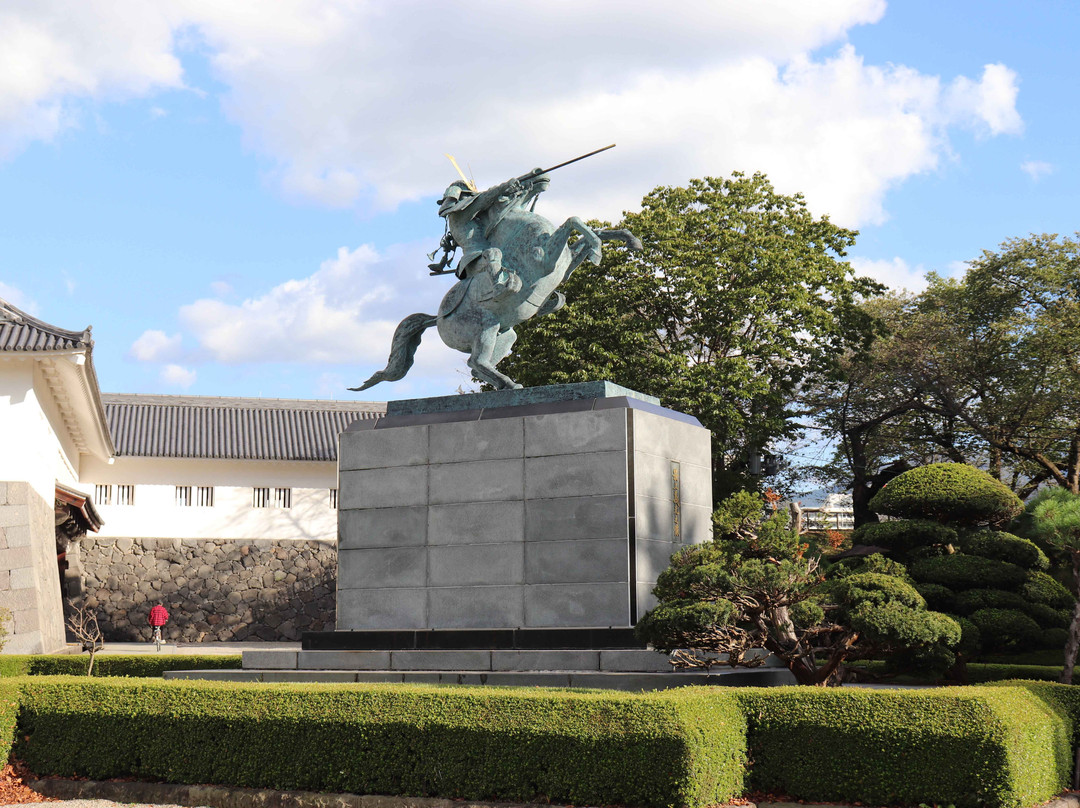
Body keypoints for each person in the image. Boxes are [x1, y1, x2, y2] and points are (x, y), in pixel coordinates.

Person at [435, 171, 549, 302]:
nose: (471, 199)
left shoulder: (473, 215)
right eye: (469, 196)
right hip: (475, 258)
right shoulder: (458, 216)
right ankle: (498, 285)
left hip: (487, 253)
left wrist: (518, 189)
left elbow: (493, 206)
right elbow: (484, 199)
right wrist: (504, 186)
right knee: (494, 253)